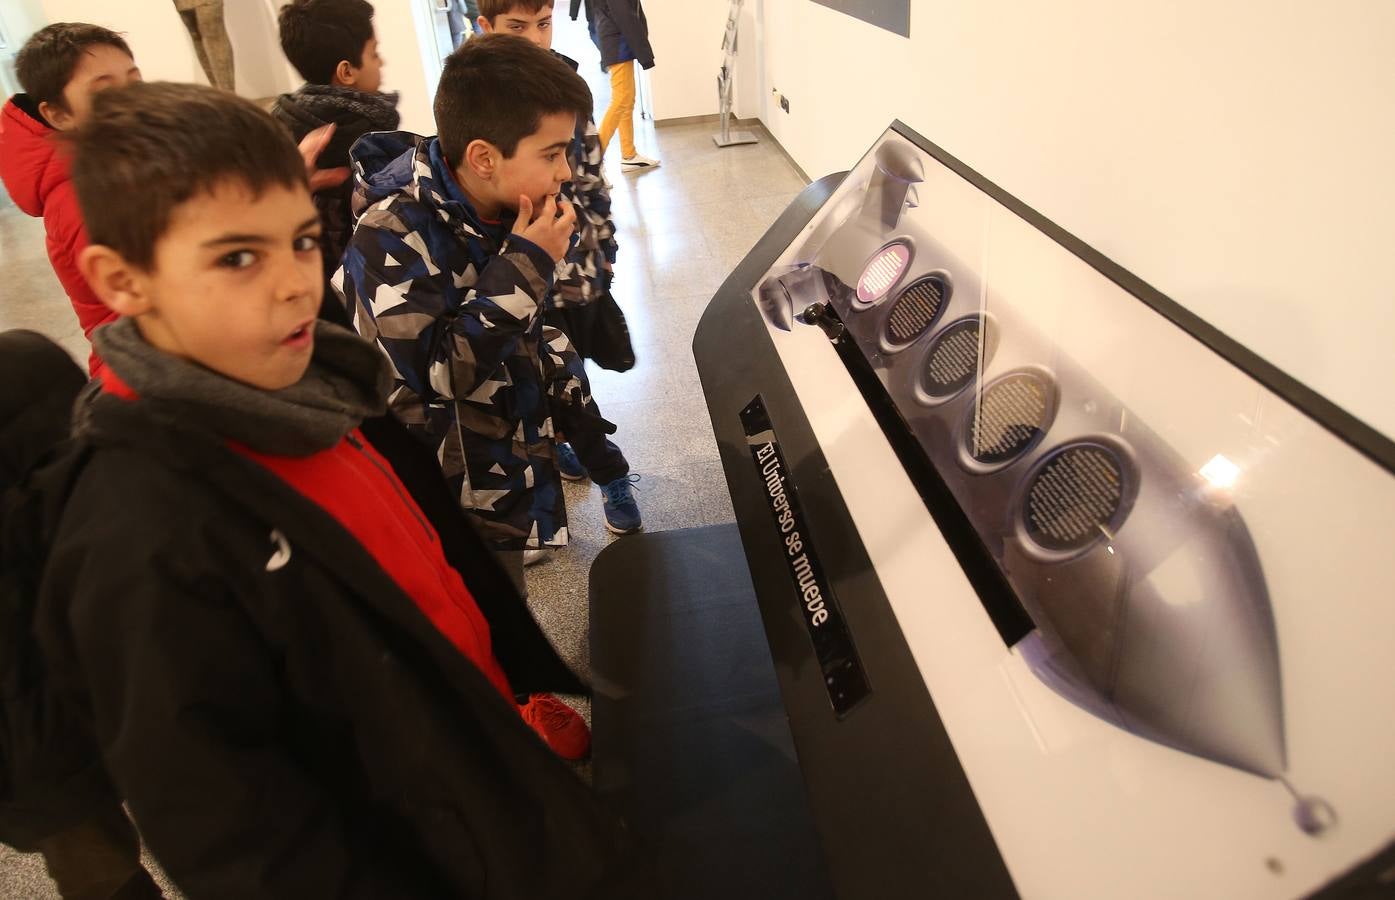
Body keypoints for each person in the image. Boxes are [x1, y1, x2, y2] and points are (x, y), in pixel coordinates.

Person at [22, 81, 650, 897]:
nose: (292, 284)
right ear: (122, 280)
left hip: (467, 758)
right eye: (238, 256)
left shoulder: (311, 379)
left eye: (298, 242)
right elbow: (238, 833)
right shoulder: (140, 535)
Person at [336, 33, 642, 595]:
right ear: (482, 157)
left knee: (507, 598)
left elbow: (531, 330)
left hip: (507, 454)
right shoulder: (389, 236)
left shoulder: (505, 208)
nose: (565, 173)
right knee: (479, 602)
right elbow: (443, 374)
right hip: (450, 490)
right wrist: (528, 263)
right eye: (551, 154)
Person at [0, 331, 163, 899]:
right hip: (70, 698)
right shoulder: (28, 364)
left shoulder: (23, 370)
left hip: (39, 724)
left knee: (96, 864)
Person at [476, 0, 634, 447]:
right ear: (486, 26)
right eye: (516, 26)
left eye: (543, 24)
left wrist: (606, 252)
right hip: (519, 274)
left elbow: (590, 180)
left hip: (576, 268)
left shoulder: (568, 86)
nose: (534, 39)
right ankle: (573, 448)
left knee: (576, 368)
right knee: (534, 370)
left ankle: (595, 458)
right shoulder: (476, 99)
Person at [0, 23, 142, 379]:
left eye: (135, 83)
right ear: (59, 115)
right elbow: (139, 308)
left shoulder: (124, 163)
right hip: (143, 369)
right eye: (105, 95)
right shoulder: (84, 198)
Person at [273, 0, 400, 282]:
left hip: (306, 268)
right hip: (357, 273)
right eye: (375, 54)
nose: (382, 62)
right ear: (346, 72)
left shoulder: (283, 119)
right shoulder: (366, 134)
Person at [594, 0, 659, 170]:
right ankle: (593, 158)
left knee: (627, 100)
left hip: (619, 42)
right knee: (621, 100)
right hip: (617, 44)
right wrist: (645, 54)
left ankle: (628, 154)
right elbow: (625, 16)